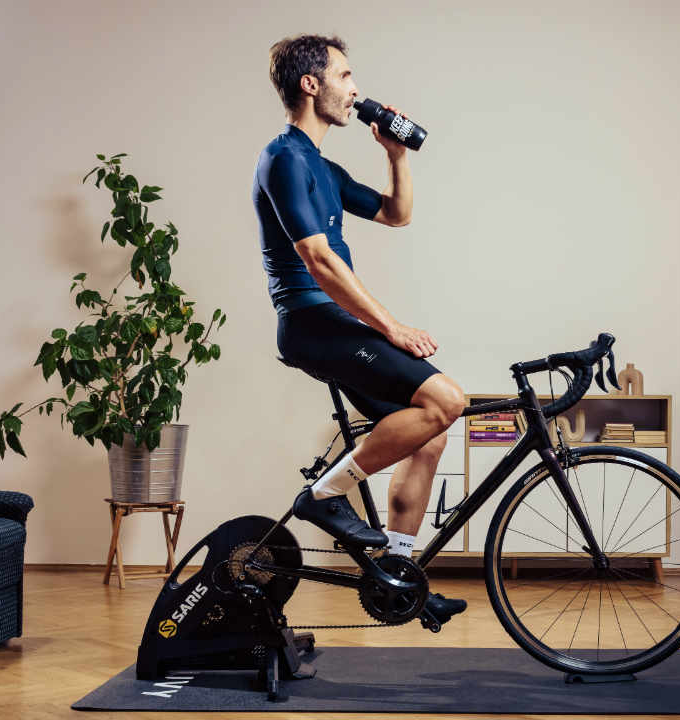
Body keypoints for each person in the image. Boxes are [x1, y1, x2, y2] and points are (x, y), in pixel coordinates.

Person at [254, 34, 467, 623]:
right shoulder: (284, 158)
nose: (355, 90)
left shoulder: (323, 165)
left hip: (336, 321)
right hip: (310, 321)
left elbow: (397, 214)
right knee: (447, 397)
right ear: (310, 85)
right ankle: (323, 496)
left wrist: (396, 153)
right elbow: (319, 261)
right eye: (345, 77)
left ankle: (398, 578)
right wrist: (392, 328)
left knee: (430, 432)